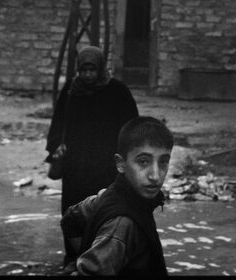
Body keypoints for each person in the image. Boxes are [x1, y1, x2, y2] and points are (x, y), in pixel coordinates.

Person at [58, 116, 174, 275]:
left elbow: (71, 218)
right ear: (120, 164)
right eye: (143, 162)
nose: (155, 175)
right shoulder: (122, 224)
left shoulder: (107, 195)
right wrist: (95, 256)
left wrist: (85, 253)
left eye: (163, 162)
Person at [46, 45, 139, 235]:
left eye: (92, 70)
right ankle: (73, 256)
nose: (88, 75)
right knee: (74, 211)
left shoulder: (117, 91)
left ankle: (100, 254)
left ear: (101, 68)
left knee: (103, 209)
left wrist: (125, 158)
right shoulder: (72, 89)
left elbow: (131, 126)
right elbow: (58, 121)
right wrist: (56, 146)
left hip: (105, 165)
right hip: (75, 165)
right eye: (84, 70)